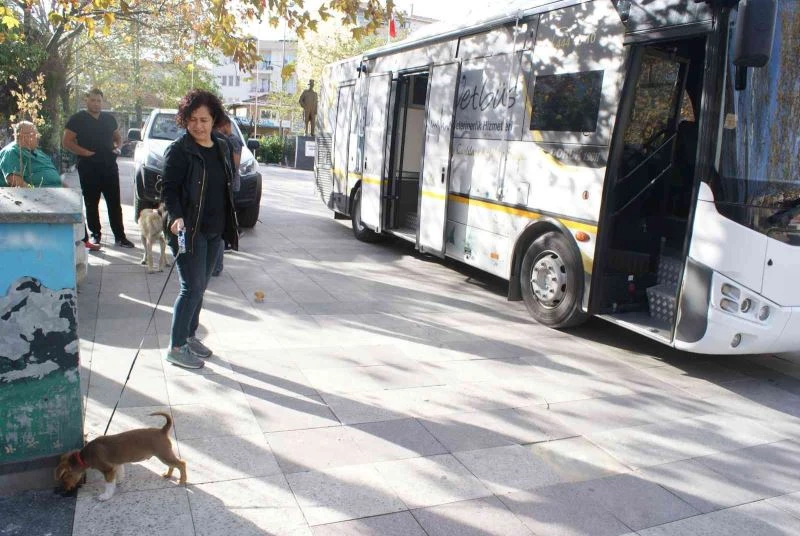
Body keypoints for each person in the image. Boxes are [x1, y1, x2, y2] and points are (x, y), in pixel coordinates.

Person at [161, 89, 239, 369]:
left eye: (204, 120)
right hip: (187, 230)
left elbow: (226, 185)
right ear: (185, 120)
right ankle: (176, 347)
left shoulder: (222, 146)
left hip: (214, 230)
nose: (198, 126)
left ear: (213, 119)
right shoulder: (179, 150)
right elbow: (168, 190)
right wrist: (176, 216)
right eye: (192, 119)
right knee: (191, 288)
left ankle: (189, 336)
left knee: (201, 287)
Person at [0, 121, 101, 251]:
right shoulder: (12, 152)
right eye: (35, 134)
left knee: (75, 204)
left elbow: (51, 173)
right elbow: (14, 181)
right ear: (23, 136)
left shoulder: (37, 152)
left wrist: (68, 189)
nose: (37, 137)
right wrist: (35, 191)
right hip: (35, 199)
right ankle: (70, 244)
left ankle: (82, 241)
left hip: (54, 194)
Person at [63, 88, 134, 248]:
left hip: (109, 166)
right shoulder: (77, 119)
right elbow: (66, 142)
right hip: (88, 166)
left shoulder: (109, 119)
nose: (96, 103)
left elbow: (118, 137)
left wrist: (118, 148)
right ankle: (95, 235)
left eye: (99, 101)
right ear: (86, 100)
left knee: (114, 202)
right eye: (93, 100)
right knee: (91, 202)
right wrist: (85, 152)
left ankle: (120, 237)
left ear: (102, 102)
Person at [211, 115, 243, 277]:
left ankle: (217, 265)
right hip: (227, 186)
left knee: (220, 227)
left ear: (224, 125)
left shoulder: (233, 141)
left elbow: (234, 165)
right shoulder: (224, 140)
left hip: (230, 186)